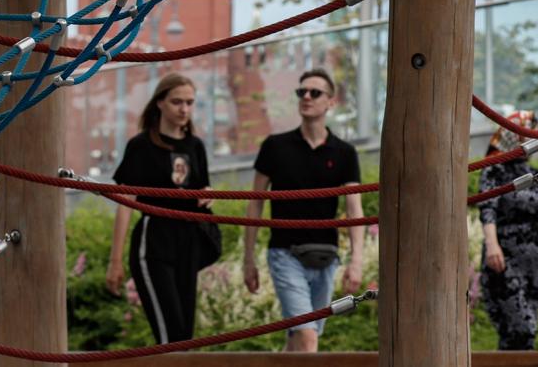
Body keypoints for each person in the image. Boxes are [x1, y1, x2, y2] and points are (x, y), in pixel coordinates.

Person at [242, 68, 364, 352]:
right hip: (285, 254)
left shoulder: (345, 152)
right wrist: (249, 259)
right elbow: (254, 202)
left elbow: (354, 207)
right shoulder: (274, 146)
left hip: (326, 256)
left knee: (300, 341)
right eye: (302, 92)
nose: (306, 97)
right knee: (308, 338)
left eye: (315, 92)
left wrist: (356, 261)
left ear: (331, 102)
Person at [105, 73, 219, 344]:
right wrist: (115, 261)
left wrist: (207, 196)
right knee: (171, 336)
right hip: (154, 240)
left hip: (189, 240)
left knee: (185, 337)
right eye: (177, 102)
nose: (184, 110)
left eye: (190, 103)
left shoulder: (196, 146)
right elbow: (125, 203)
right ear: (160, 103)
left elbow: (202, 189)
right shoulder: (141, 146)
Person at [478, 110, 538, 350]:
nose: (530, 139)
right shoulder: (493, 171)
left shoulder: (536, 175)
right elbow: (488, 209)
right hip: (504, 253)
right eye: (525, 134)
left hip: (532, 255)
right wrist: (492, 245)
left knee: (527, 329)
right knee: (520, 326)